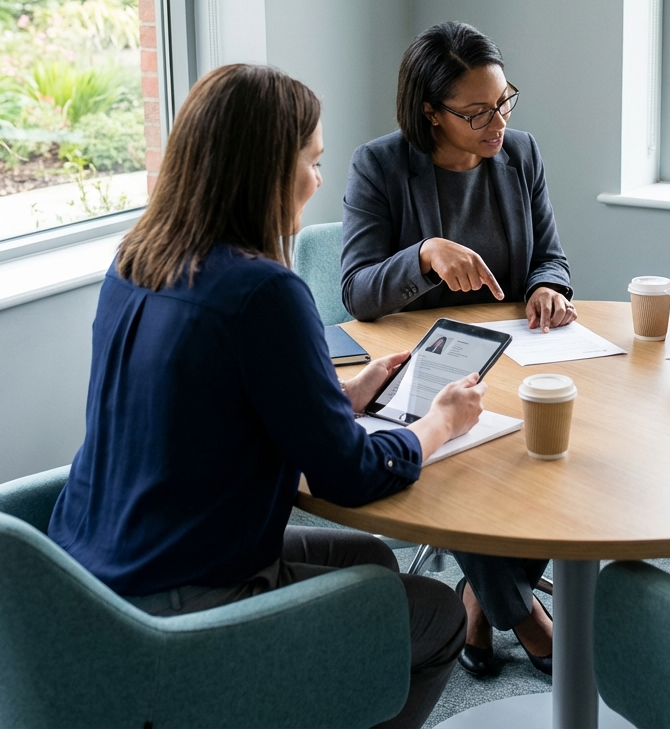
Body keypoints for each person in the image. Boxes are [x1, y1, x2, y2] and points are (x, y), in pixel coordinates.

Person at [48, 64, 485, 729]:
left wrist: (341, 391)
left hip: (88, 578)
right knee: (435, 612)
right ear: (265, 171)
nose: (317, 180)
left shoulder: (136, 260)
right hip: (182, 605)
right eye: (310, 161)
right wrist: (440, 423)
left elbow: (200, 394)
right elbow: (350, 476)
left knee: (368, 560)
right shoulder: (264, 292)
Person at [341, 21, 573, 678]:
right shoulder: (380, 165)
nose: (496, 121)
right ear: (430, 113)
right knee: (462, 469)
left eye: (503, 102)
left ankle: (478, 599)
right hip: (418, 364)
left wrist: (550, 287)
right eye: (475, 112)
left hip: (512, 351)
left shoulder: (521, 153)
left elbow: (549, 254)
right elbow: (358, 292)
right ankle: (522, 614)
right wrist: (423, 254)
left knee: (549, 460)